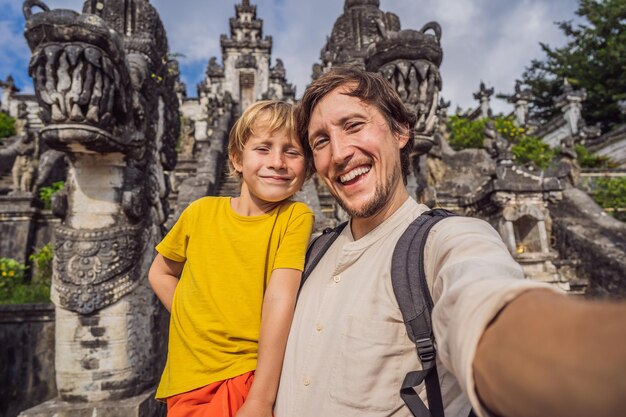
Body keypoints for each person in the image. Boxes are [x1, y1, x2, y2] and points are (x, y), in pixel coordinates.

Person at [274, 67, 626, 417]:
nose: (338, 154)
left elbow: (490, 314)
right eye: (320, 141)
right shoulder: (310, 252)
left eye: (354, 125)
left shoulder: (447, 241)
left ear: (401, 130)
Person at [149, 100, 314, 417]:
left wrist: (259, 400)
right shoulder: (199, 212)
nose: (277, 161)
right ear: (237, 159)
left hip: (250, 374)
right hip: (188, 376)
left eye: (292, 152)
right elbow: (160, 273)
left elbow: (281, 297)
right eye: (263, 148)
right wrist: (192, 320)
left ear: (307, 169)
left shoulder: (296, 216)